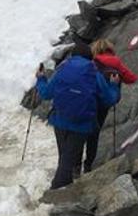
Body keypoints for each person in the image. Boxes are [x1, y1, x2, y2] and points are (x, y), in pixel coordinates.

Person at [36, 41, 121, 189]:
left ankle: (60, 192)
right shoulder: (94, 73)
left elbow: (45, 93)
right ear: (90, 57)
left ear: (72, 56)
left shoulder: (63, 69)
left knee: (64, 159)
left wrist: (41, 78)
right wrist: (114, 85)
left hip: (60, 120)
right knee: (67, 162)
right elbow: (109, 99)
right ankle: (57, 194)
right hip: (81, 125)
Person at [79, 39, 138, 173]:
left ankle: (75, 164)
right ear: (110, 49)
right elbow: (132, 78)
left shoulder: (92, 62)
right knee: (94, 134)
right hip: (104, 103)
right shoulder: (116, 62)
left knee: (83, 131)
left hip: (89, 101)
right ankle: (88, 165)